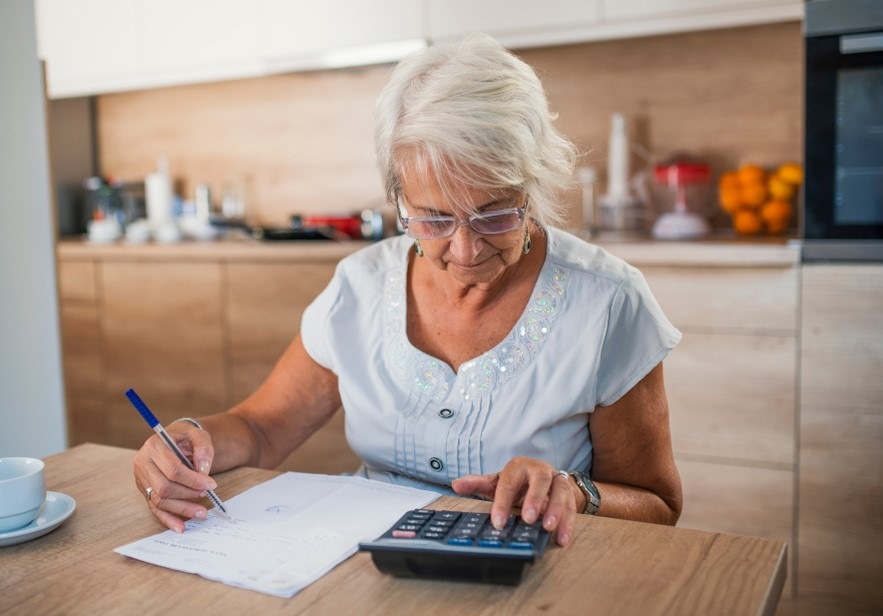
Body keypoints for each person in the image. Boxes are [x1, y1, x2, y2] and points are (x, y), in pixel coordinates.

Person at [133, 33, 683, 546]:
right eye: (434, 220)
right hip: (367, 561)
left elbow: (658, 503)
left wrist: (577, 491)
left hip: (533, 574)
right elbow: (259, 428)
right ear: (397, 201)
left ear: (533, 186)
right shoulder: (360, 286)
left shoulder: (608, 304)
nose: (465, 251)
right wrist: (187, 440)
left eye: (495, 216)